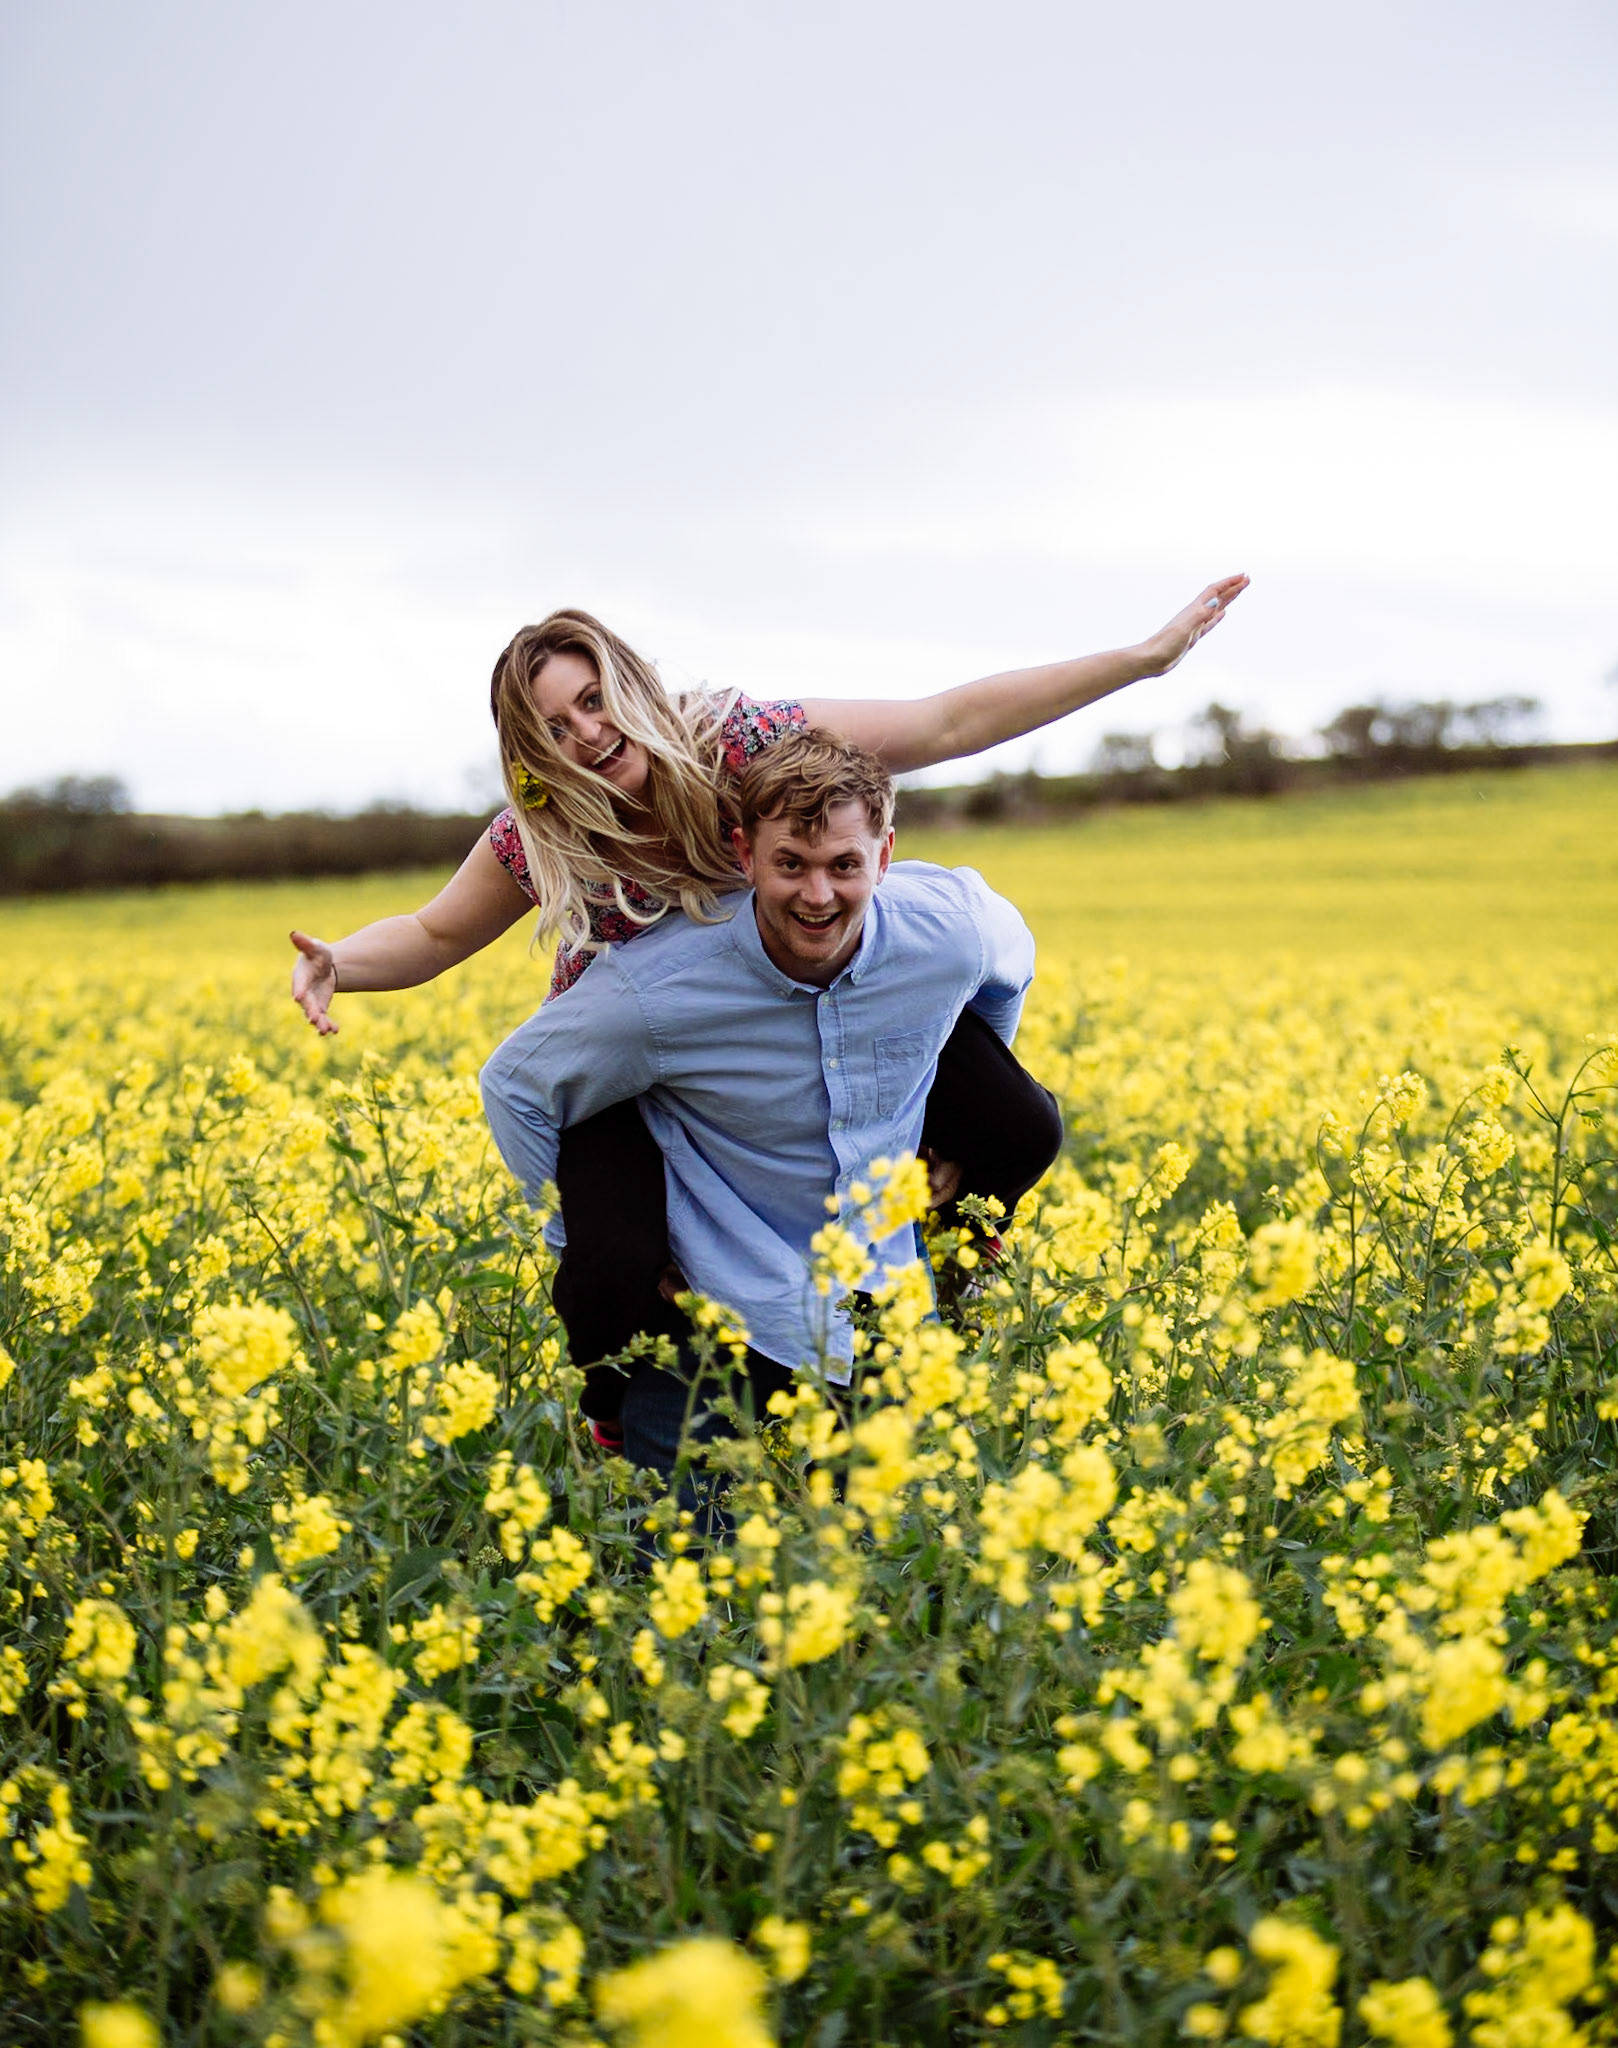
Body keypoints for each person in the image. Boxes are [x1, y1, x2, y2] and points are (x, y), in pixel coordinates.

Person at [290, 580, 1245, 1421]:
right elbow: (435, 936)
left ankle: (941, 1290)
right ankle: (620, 1412)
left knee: (1018, 1128)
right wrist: (341, 961)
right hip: (646, 1054)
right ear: (531, 754)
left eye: (593, 699)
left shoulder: (736, 742)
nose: (588, 732)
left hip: (816, 991)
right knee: (615, 1266)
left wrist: (1140, 662)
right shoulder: (540, 836)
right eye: (555, 728)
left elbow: (945, 723)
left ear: (628, 685)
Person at [479, 729, 1050, 1485]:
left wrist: (949, 1114)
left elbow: (1009, 966)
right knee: (692, 1552)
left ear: (883, 857)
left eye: (843, 865)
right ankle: (612, 1411)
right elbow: (515, 1086)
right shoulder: (658, 992)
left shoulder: (952, 933)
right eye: (791, 865)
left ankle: (963, 1271)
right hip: (717, 1310)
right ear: (745, 856)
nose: (818, 895)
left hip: (882, 1292)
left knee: (899, 1548)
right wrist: (575, 1244)